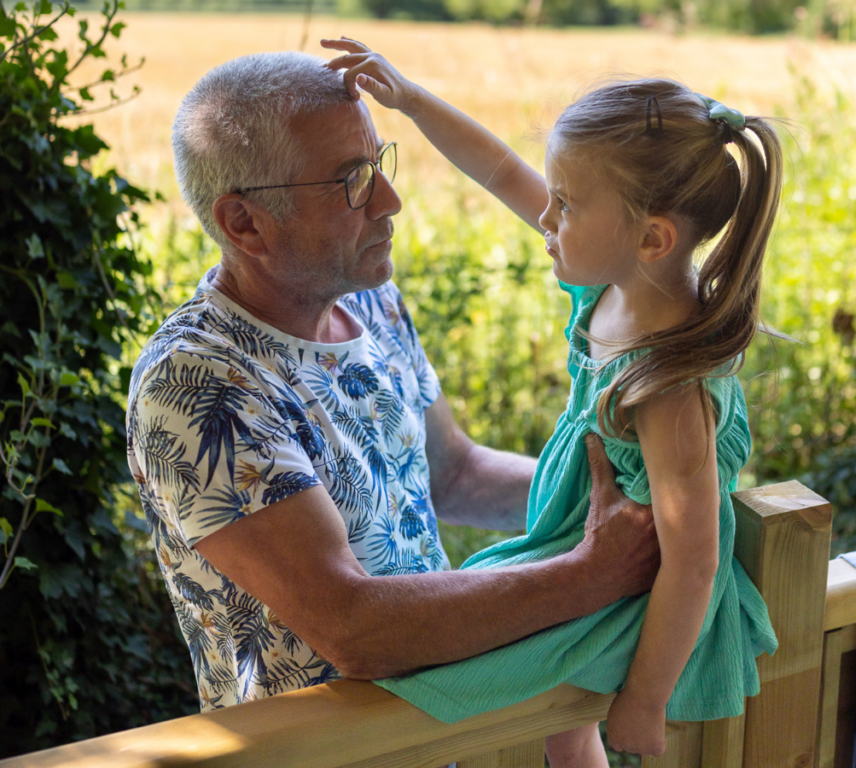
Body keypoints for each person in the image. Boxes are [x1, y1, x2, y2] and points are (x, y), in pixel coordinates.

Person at [125, 51, 661, 713]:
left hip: (436, 733)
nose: (391, 201)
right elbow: (353, 625)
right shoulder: (198, 387)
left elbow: (453, 475)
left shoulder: (368, 302)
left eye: (380, 165)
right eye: (351, 182)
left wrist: (639, 494)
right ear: (244, 223)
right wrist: (591, 574)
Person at [319, 39, 782, 765]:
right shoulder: (617, 280)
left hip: (639, 589)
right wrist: (409, 99)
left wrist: (645, 700)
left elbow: (693, 561)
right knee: (510, 673)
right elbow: (502, 168)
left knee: (466, 661)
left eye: (564, 205)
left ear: (653, 237)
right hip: (580, 547)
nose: (545, 217)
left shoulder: (667, 383)